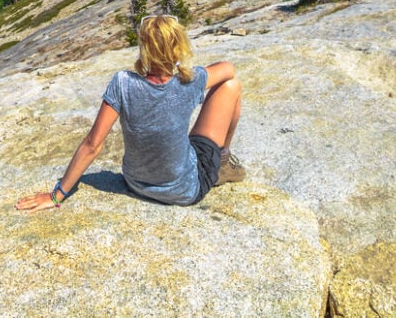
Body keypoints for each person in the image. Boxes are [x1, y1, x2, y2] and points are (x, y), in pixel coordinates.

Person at [16, 15, 244, 213]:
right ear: (178, 47)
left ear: (144, 49)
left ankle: (218, 159)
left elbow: (92, 145)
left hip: (136, 183)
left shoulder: (122, 83)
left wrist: (57, 195)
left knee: (187, 140)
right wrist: (189, 69)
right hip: (184, 191)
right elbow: (228, 69)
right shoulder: (190, 81)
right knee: (232, 86)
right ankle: (223, 160)